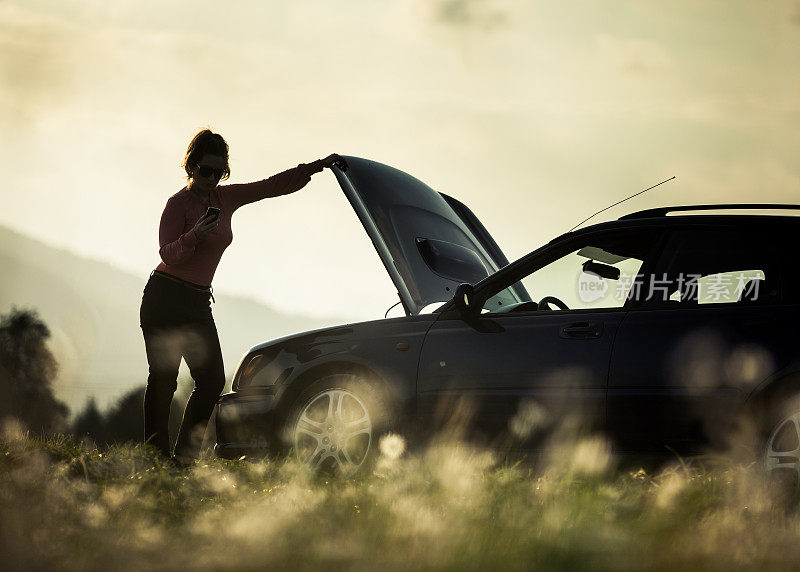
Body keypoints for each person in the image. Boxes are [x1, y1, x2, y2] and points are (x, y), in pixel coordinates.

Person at [139, 128, 340, 464]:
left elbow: (269, 187)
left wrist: (317, 166)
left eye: (219, 172)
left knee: (212, 380)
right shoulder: (178, 205)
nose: (212, 178)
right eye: (206, 170)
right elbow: (168, 254)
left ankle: (185, 457)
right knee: (164, 378)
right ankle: (155, 458)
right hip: (165, 298)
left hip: (198, 302)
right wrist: (193, 236)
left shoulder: (225, 199)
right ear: (191, 166)